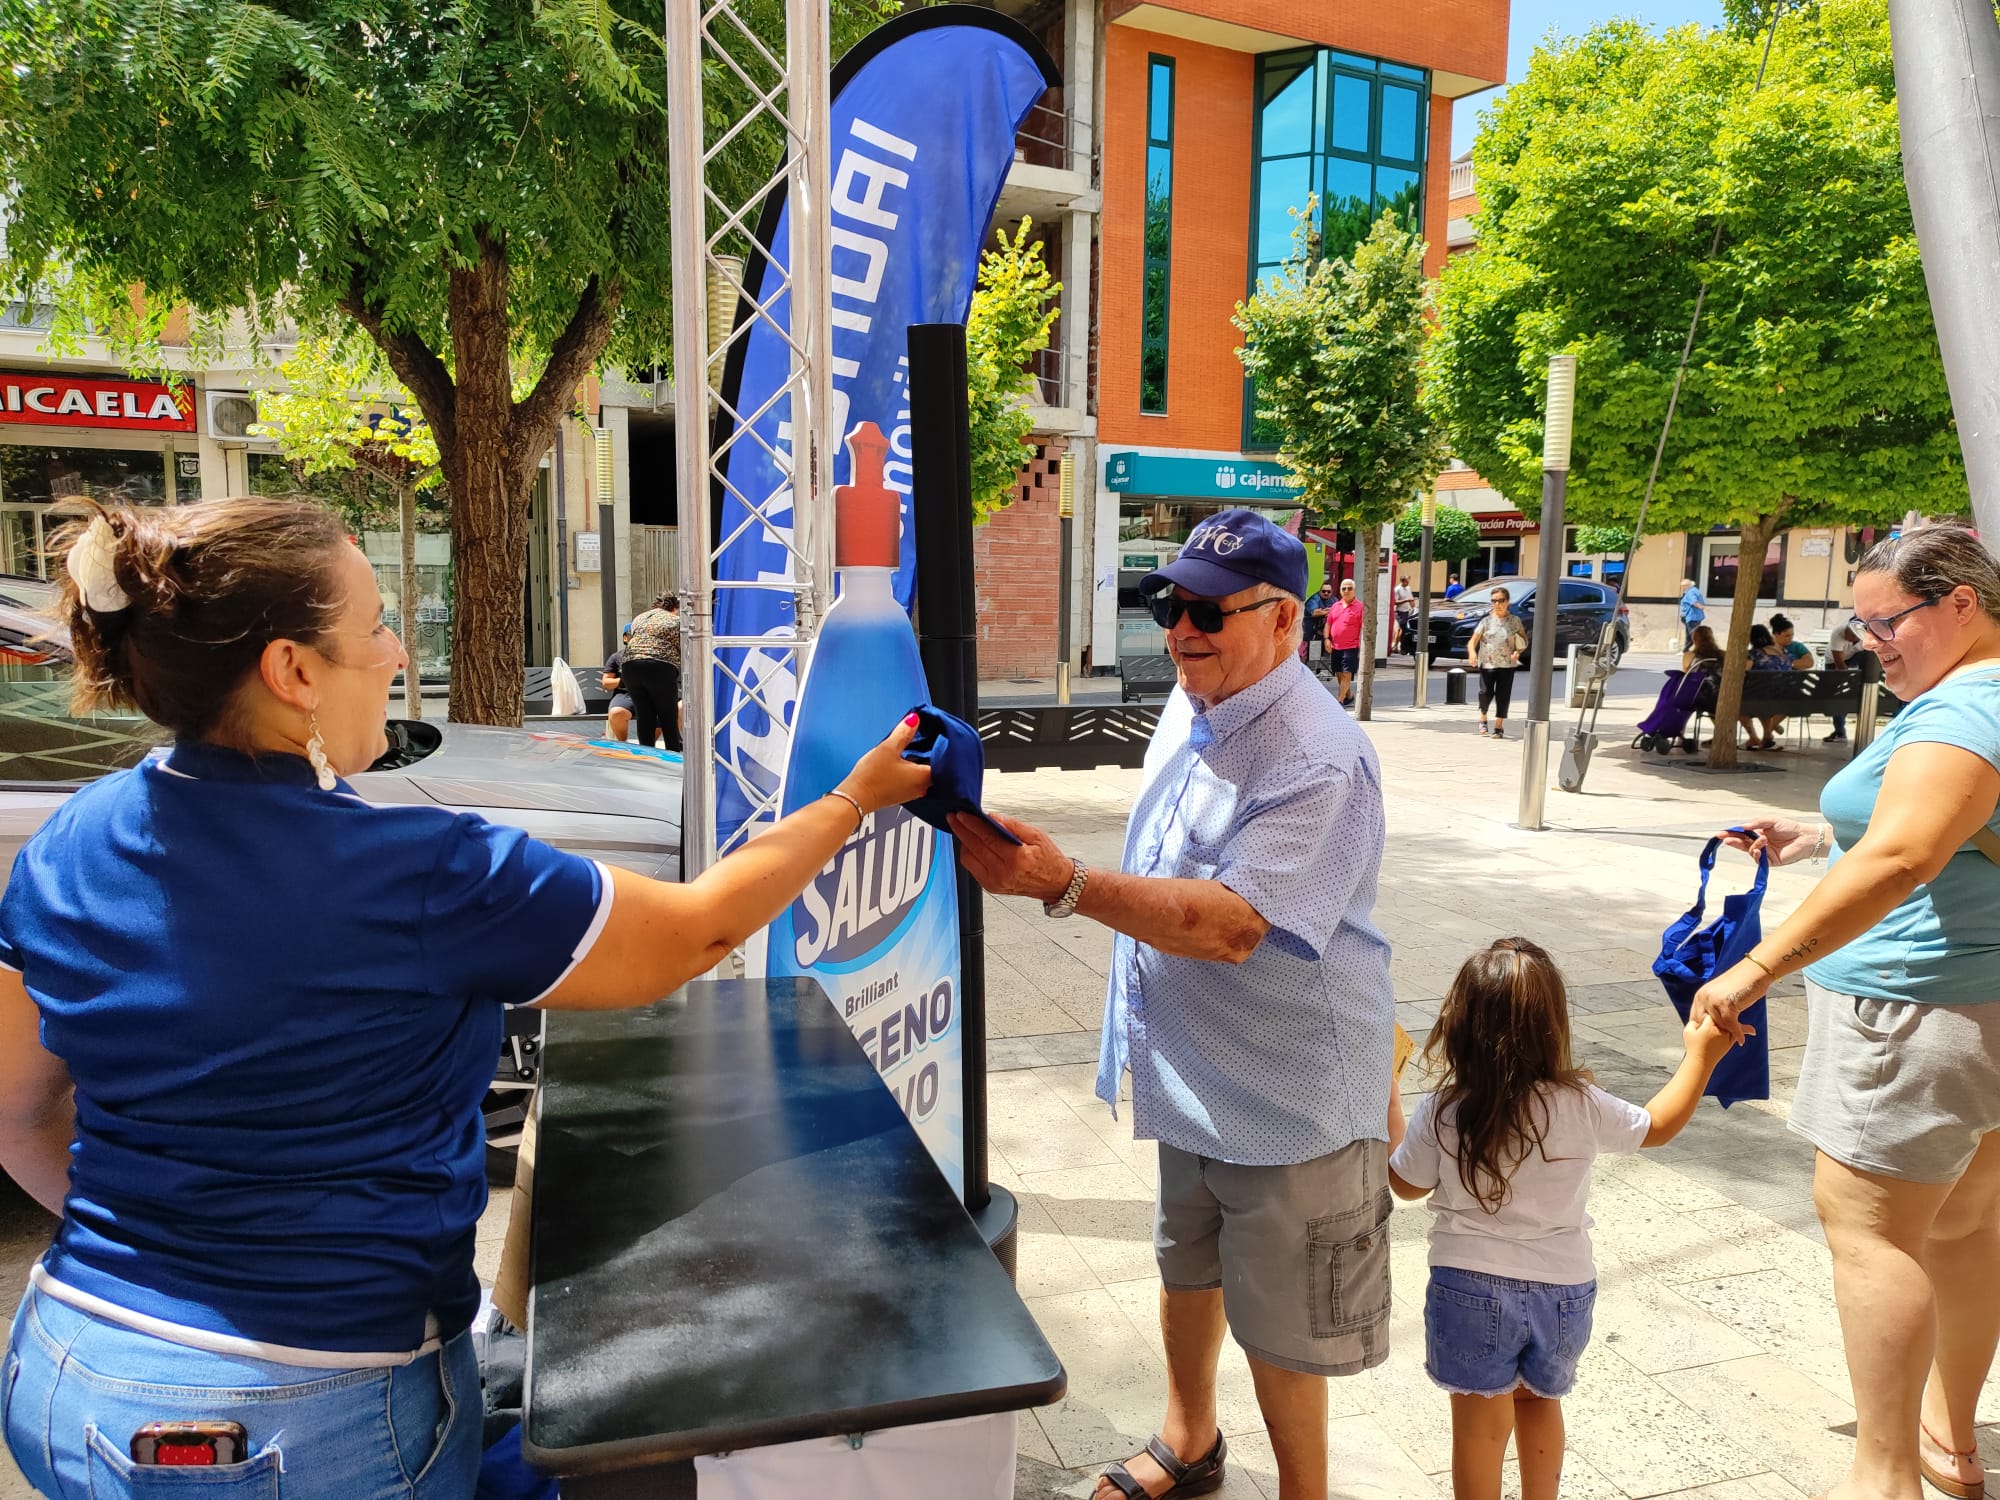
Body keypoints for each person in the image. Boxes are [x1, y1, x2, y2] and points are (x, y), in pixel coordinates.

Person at [0, 500, 931, 1500]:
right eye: (372, 626)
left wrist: (168, 1262)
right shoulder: (420, 871)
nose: (396, 650)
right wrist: (851, 799)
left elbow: (15, 1116)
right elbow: (694, 931)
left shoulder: (69, 840)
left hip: (67, 1369)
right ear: (293, 672)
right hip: (303, 1419)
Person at [948, 507, 1395, 1500]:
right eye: (1165, 602)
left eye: (1205, 610)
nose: (1179, 629)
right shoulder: (1193, 705)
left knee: (1284, 1324)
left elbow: (1233, 925)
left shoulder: (1315, 754)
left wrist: (1063, 886)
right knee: (1184, 1265)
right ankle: (1187, 1443)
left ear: (1284, 619)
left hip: (1286, 1099)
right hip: (1192, 1069)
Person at [1691, 526, 2000, 1500]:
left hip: (1911, 1012)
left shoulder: (1965, 709)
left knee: (1871, 1237)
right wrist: (1819, 834)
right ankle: (1947, 1446)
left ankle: (1883, 1478)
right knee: (1962, 1229)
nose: (1870, 640)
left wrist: (1753, 968)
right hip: (1974, 1006)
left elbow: (1903, 856)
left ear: (1960, 602)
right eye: (1859, 624)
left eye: (1887, 620)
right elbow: (1940, 831)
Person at [1391, 939, 1736, 1500]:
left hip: (1468, 1286)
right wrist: (1702, 1056)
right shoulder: (1580, 1102)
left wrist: (1390, 1103)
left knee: (1479, 1425)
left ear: (1458, 1023)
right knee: (1539, 1404)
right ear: (1553, 1024)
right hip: (1564, 1291)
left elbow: (1406, 1185)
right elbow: (1657, 1126)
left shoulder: (1445, 1107)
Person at [621, 592, 682, 751]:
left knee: (644, 715)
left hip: (630, 666)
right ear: (675, 608)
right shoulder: (676, 620)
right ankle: (673, 757)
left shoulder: (640, 618)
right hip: (659, 666)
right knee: (668, 715)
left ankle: (646, 757)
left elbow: (630, 639)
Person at [1466, 587, 1527, 738]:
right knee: (1485, 692)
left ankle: (1499, 726)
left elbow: (1523, 640)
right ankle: (1483, 717)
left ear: (1507, 602)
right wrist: (1472, 653)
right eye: (1494, 601)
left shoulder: (1514, 621)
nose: (1497, 603)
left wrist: (1517, 652)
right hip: (1487, 663)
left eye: (1501, 600)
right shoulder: (1486, 621)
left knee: (1503, 695)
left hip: (1507, 664)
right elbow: (1472, 641)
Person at [1740, 622, 1790, 751]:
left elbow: (1743, 672)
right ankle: (1767, 735)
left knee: (1737, 705)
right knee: (1763, 699)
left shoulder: (1754, 654)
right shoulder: (1782, 652)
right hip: (1786, 695)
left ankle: (1754, 737)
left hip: (1761, 696)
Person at [1823, 615, 1865, 743]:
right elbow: (1839, 664)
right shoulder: (1838, 633)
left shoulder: (1868, 636)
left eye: (1853, 634)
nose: (1847, 635)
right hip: (1834, 662)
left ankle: (1867, 683)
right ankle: (1839, 731)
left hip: (1854, 657)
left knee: (1867, 655)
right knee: (1838, 696)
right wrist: (1851, 681)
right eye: (1848, 630)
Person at [1324, 576, 1364, 707]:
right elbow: (1328, 624)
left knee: (1347, 673)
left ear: (1354, 590)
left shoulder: (1360, 607)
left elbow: (1364, 628)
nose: (1346, 591)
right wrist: (1326, 639)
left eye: (1349, 588)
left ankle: (1339, 701)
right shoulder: (1335, 606)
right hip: (1336, 646)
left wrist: (1363, 647)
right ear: (1340, 591)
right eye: (1344, 588)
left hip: (1351, 646)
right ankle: (1349, 696)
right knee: (1339, 673)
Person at [602, 620, 636, 741]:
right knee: (616, 713)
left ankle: (649, 747)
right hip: (625, 695)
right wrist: (623, 681)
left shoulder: (653, 656)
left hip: (649, 693)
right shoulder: (616, 657)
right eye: (632, 635)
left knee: (661, 712)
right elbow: (606, 683)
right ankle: (623, 743)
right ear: (625, 638)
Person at [1304, 579, 1335, 675]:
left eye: (1328, 591)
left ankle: (1318, 670)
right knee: (1306, 652)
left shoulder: (1333, 600)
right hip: (1309, 630)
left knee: (1319, 650)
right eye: (1324, 591)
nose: (1326, 593)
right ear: (1320, 591)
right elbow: (1314, 612)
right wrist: (1328, 611)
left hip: (1323, 630)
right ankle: (1303, 671)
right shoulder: (1315, 599)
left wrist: (1327, 611)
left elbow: (1339, 609)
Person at [1678, 578, 1706, 651]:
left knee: (1693, 635)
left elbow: (1694, 602)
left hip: (1693, 617)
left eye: (1682, 586)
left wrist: (1701, 607)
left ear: (1686, 586)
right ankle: (1685, 650)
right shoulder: (1694, 590)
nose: (1682, 588)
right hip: (1693, 616)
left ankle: (1701, 649)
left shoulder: (1691, 592)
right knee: (1689, 635)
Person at [1393, 574, 1416, 654]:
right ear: (1403, 581)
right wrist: (1406, 600)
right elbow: (1395, 602)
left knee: (1404, 630)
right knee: (1402, 629)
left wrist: (1413, 606)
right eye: (1407, 581)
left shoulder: (1408, 588)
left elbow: (1411, 598)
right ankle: (1401, 646)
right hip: (1400, 611)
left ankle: (1398, 645)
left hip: (1408, 611)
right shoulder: (1397, 589)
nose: (1408, 582)